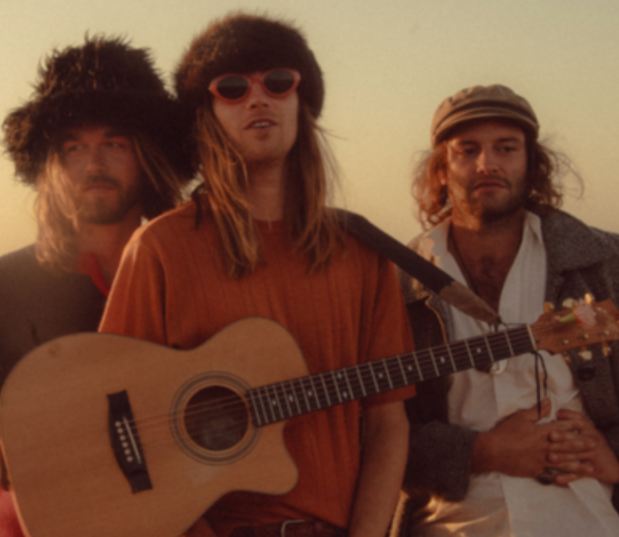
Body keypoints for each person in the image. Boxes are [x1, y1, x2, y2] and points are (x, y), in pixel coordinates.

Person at [98, 13, 413, 537]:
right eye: (233, 87)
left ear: (301, 102)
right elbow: (107, 416)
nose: (258, 98)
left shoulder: (362, 253)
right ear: (208, 113)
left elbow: (387, 423)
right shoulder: (161, 249)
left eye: (278, 82)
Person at [397, 84, 619, 537]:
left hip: (584, 522)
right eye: (467, 150)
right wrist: (480, 452)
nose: (488, 163)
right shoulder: (396, 281)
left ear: (532, 163)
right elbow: (366, 430)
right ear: (441, 169)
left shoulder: (611, 264)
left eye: (506, 148)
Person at [0, 37, 192, 537]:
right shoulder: (0, 287)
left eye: (114, 144)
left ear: (146, 156)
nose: (94, 163)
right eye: (74, 147)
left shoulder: (190, 275)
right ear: (52, 165)